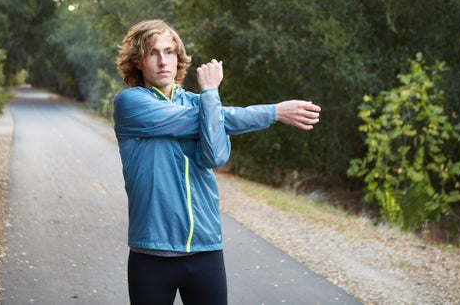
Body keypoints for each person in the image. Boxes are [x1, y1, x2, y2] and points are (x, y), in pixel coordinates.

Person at [113, 19, 321, 305]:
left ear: (178, 58)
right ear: (138, 61)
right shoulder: (131, 103)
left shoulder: (202, 105)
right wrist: (268, 110)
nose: (163, 61)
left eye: (169, 52)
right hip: (151, 253)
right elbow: (218, 119)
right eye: (152, 53)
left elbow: (216, 157)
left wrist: (214, 105)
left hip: (206, 249)